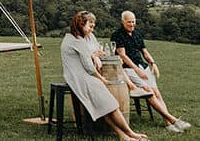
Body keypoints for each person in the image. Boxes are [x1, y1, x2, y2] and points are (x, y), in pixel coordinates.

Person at [61, 11, 147, 141]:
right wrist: (100, 78)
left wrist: (94, 55)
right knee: (111, 105)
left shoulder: (84, 37)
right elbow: (88, 67)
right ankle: (130, 133)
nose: (92, 28)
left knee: (106, 105)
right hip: (80, 77)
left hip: (86, 75)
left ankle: (124, 135)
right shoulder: (75, 41)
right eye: (90, 25)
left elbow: (96, 50)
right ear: (80, 24)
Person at [111, 10, 191, 133]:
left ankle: (168, 123)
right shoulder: (117, 35)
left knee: (156, 92)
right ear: (122, 22)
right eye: (129, 22)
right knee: (149, 92)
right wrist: (136, 70)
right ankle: (173, 120)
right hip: (128, 69)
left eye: (133, 22)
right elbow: (123, 56)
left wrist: (153, 63)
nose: (132, 24)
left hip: (142, 66)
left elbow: (144, 52)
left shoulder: (137, 34)